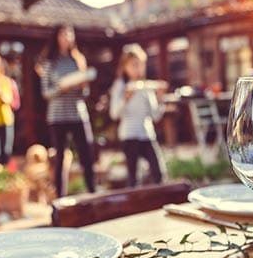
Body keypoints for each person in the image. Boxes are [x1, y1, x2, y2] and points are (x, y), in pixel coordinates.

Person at [39, 25, 96, 195]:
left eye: (70, 34)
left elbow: (85, 93)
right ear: (57, 37)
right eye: (63, 34)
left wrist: (81, 86)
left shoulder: (78, 60)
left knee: (87, 155)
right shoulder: (50, 62)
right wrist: (60, 88)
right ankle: (60, 197)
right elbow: (45, 92)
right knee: (60, 158)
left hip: (78, 113)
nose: (67, 37)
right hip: (58, 116)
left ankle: (92, 191)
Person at [109, 44, 166, 187]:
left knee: (158, 173)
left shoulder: (146, 87)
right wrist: (125, 99)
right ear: (125, 66)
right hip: (129, 135)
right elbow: (114, 114)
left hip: (146, 134)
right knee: (133, 177)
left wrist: (160, 99)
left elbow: (156, 116)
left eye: (140, 65)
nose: (137, 68)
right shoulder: (120, 86)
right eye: (133, 65)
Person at [0, 51, 20, 161]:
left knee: (6, 151)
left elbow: (14, 102)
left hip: (5, 119)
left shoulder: (7, 82)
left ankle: (5, 174)